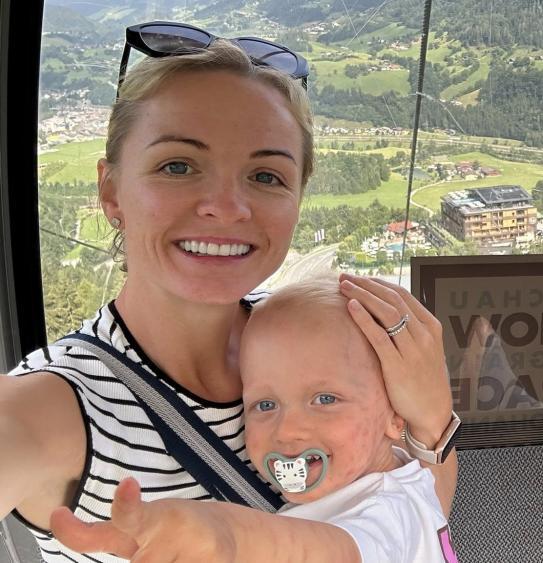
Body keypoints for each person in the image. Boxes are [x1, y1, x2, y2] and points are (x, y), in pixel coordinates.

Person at [0, 32, 457, 562]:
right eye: (177, 165)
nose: (226, 206)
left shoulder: (318, 333)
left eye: (266, 176)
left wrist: (432, 421)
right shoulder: (47, 411)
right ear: (111, 191)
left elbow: (416, 523)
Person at [48, 277, 459, 562]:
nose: (288, 430)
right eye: (265, 405)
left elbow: (332, 552)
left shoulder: (390, 512)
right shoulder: (408, 478)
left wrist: (229, 536)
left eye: (325, 399)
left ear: (396, 417)